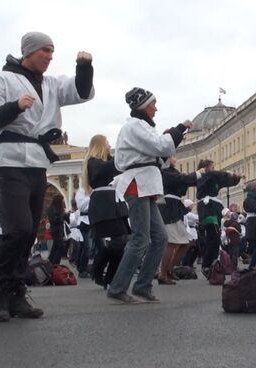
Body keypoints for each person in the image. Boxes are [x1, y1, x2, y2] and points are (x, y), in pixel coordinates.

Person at [0, 31, 95, 322]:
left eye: (53, 52)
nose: (50, 57)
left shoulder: (51, 84)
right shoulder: (0, 80)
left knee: (30, 232)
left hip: (38, 162)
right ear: (29, 51)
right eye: (46, 51)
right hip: (10, 158)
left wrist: (84, 67)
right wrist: (15, 106)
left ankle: (15, 292)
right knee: (17, 228)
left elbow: (80, 92)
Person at [107, 87, 192, 304]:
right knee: (140, 238)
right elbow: (161, 146)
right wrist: (180, 128)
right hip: (137, 184)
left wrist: (172, 138)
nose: (155, 108)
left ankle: (143, 285)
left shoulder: (141, 126)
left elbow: (160, 154)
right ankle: (118, 287)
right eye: (153, 104)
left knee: (160, 237)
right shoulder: (135, 126)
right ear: (143, 106)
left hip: (145, 185)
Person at [83, 134, 129, 289]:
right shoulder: (93, 162)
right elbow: (101, 172)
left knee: (121, 241)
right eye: (107, 142)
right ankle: (102, 274)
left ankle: (104, 274)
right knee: (118, 241)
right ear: (100, 145)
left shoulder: (105, 161)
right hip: (104, 202)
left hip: (112, 201)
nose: (110, 144)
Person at [157, 156, 203, 284]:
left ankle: (170, 270)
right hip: (169, 208)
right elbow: (182, 180)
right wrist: (197, 174)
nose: (175, 159)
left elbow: (182, 187)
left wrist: (189, 179)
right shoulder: (165, 172)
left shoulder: (173, 173)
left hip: (175, 207)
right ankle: (163, 273)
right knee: (172, 242)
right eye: (172, 157)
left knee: (185, 242)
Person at [196, 159, 242, 278]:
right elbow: (214, 174)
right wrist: (228, 174)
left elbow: (226, 181)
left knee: (215, 238)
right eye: (212, 167)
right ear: (205, 168)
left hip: (214, 208)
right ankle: (206, 265)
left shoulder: (213, 178)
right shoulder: (204, 177)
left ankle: (210, 264)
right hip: (207, 208)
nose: (214, 169)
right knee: (214, 237)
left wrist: (236, 178)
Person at [47, 194, 68, 265]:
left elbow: (63, 218)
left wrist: (66, 214)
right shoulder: (51, 208)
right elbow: (53, 220)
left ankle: (51, 261)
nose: (63, 202)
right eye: (61, 200)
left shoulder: (58, 208)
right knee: (61, 246)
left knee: (56, 246)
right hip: (56, 230)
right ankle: (55, 263)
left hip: (59, 230)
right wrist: (62, 215)